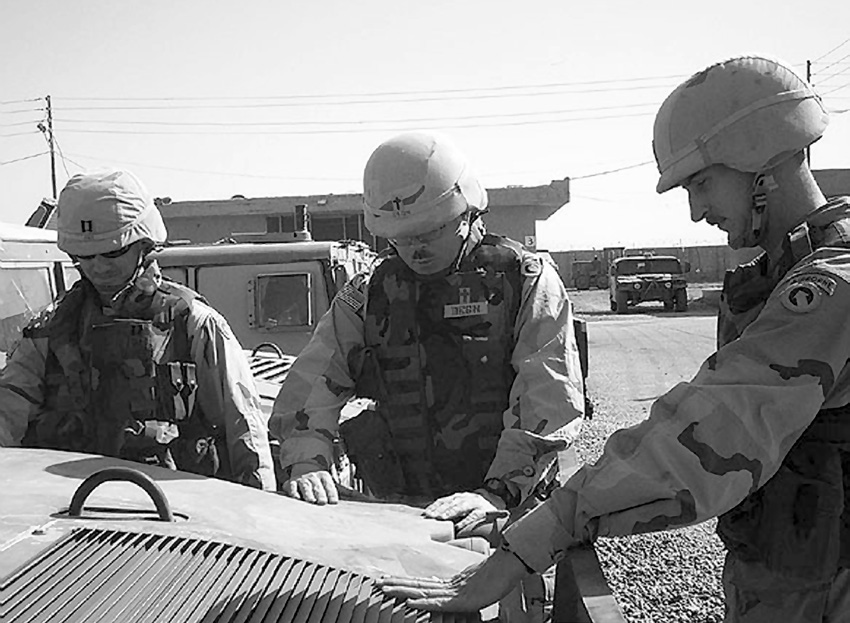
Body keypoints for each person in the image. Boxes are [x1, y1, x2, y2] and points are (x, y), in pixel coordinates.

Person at [380, 55, 850, 622]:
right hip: (796, 572)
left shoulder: (832, 284)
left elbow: (713, 426)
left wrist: (531, 541)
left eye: (701, 183)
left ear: (760, 161)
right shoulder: (780, 273)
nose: (698, 212)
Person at [269, 131, 585, 620]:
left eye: (430, 231)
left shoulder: (525, 279)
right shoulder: (368, 292)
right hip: (404, 516)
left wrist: (495, 493)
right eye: (401, 237)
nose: (414, 248)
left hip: (501, 521)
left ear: (466, 211)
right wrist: (307, 458)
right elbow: (315, 379)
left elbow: (549, 397)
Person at [0, 169, 276, 491]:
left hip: (175, 512)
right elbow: (8, 414)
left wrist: (261, 505)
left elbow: (245, 426)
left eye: (113, 252)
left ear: (144, 244)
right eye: (86, 256)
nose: (99, 266)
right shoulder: (52, 329)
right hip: (70, 508)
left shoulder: (194, 323)